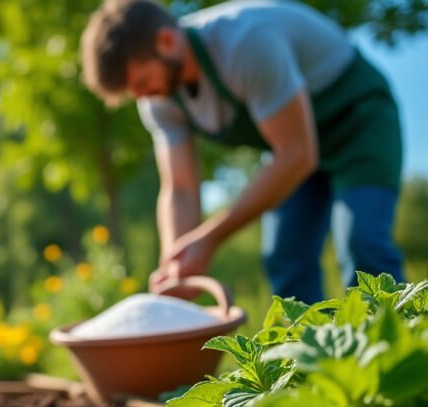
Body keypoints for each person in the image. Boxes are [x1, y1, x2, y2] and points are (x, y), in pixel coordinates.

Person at [80, 0, 406, 303]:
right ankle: (315, 348)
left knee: (363, 246)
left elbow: (297, 153)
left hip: (358, 123)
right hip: (291, 142)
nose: (141, 97)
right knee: (285, 259)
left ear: (166, 41)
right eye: (132, 91)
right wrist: (176, 265)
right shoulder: (159, 100)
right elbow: (180, 188)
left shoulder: (245, 43)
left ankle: (401, 342)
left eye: (141, 82)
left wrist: (210, 238)